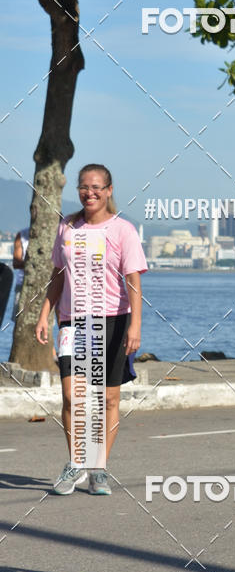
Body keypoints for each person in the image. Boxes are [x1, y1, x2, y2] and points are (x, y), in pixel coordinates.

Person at [35, 163, 147, 495]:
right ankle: (76, 463)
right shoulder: (67, 227)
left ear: (109, 190)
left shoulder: (123, 230)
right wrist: (44, 314)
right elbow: (57, 276)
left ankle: (99, 468)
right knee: (72, 397)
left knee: (109, 398)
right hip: (74, 322)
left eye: (97, 187)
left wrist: (135, 325)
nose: (90, 193)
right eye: (84, 187)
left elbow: (133, 282)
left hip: (114, 320)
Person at [11, 227, 29, 322]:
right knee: (19, 321)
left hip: (46, 286)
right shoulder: (22, 235)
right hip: (22, 284)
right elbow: (16, 263)